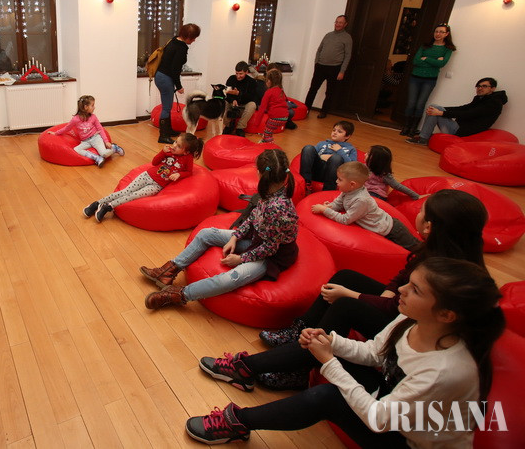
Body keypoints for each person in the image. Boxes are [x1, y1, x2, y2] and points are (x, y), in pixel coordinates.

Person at [187, 257, 504, 447]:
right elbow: (376, 353)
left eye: (415, 289)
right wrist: (331, 343)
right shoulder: (412, 319)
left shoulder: (445, 371)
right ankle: (246, 370)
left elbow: (379, 419)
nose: (400, 290)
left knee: (327, 396)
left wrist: (329, 363)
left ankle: (238, 422)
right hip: (389, 398)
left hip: (406, 439)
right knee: (324, 349)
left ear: (446, 315)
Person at [250, 190, 486, 391]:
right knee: (346, 276)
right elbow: (402, 277)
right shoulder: (435, 250)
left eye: (422, 210)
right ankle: (299, 331)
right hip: (401, 307)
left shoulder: (445, 271)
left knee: (345, 305)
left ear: (429, 225)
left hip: (408, 326)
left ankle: (302, 368)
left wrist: (350, 294)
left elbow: (398, 310)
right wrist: (387, 292)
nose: (418, 213)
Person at [139, 149, 297, 309]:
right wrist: (235, 237)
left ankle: (180, 295)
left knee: (231, 278)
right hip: (256, 239)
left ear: (260, 174)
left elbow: (270, 248)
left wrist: (241, 259)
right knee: (206, 234)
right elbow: (252, 217)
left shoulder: (278, 208)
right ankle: (167, 271)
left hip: (272, 256)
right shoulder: (269, 190)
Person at [84, 132, 201, 222]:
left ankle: (107, 207)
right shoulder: (168, 151)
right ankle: (96, 203)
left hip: (157, 186)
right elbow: (154, 162)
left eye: (179, 146)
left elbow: (189, 172)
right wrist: (162, 152)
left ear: (186, 152)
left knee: (134, 195)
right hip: (147, 175)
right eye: (175, 142)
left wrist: (179, 174)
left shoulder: (187, 158)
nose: (174, 145)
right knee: (125, 191)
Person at [311, 162, 420, 250]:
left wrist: (325, 210)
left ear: (352, 184)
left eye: (340, 179)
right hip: (385, 226)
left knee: (417, 248)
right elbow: (338, 203)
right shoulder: (347, 190)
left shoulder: (361, 200)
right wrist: (330, 206)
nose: (336, 181)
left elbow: (345, 220)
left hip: (392, 230)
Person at [406, 77, 507, 145]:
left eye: (484, 86)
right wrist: (442, 109)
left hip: (462, 132)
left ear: (493, 88)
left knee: (435, 108)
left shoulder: (493, 103)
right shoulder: (480, 98)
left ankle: (423, 138)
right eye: (478, 86)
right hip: (459, 127)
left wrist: (441, 112)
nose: (480, 88)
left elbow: (469, 114)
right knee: (434, 107)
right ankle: (424, 136)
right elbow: (463, 108)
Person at [401, 23, 456, 136]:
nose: (438, 34)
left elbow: (442, 63)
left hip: (430, 80)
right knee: (411, 103)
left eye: (441, 32)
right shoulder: (425, 46)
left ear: (446, 34)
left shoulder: (448, 49)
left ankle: (413, 129)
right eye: (436, 31)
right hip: (415, 78)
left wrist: (426, 58)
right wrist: (435, 61)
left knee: (420, 104)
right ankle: (406, 127)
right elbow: (416, 61)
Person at [154, 23, 201, 144]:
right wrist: (179, 86)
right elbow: (175, 70)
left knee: (167, 106)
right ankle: (163, 136)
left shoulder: (174, 40)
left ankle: (168, 130)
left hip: (160, 76)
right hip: (165, 78)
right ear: (188, 36)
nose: (194, 40)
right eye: (194, 37)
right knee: (166, 108)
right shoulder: (181, 48)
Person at [48, 95, 124, 167]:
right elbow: (67, 128)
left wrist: (106, 141)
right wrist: (55, 133)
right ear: (86, 107)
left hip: (95, 138)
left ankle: (114, 148)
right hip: (85, 141)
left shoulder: (93, 117)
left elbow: (100, 129)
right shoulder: (75, 119)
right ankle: (96, 158)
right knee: (77, 149)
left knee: (104, 154)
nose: (94, 107)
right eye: (92, 105)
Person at [303, 15, 352, 119]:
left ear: (345, 24)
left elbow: (348, 55)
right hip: (320, 67)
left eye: (340, 22)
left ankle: (323, 112)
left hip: (335, 68)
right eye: (336, 22)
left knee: (329, 92)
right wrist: (316, 63)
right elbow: (319, 50)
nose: (337, 24)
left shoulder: (347, 38)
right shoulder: (328, 35)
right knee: (313, 89)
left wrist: (342, 71)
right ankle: (306, 109)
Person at [299, 120, 357, 193]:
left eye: (339, 131)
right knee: (308, 148)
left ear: (347, 136)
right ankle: (305, 183)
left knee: (336, 158)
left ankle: (327, 191)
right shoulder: (322, 143)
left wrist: (340, 151)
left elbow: (353, 167)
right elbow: (310, 157)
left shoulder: (351, 149)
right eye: (334, 130)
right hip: (317, 171)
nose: (335, 133)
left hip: (333, 175)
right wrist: (321, 156)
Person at [223, 61, 264, 136]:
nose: (238, 76)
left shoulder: (252, 82)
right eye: (237, 73)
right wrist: (233, 100)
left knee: (252, 105)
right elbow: (227, 94)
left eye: (241, 74)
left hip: (244, 106)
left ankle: (240, 127)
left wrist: (238, 94)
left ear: (246, 72)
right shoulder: (231, 79)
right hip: (232, 104)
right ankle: (228, 126)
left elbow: (251, 97)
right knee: (224, 102)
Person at [252, 69, 289, 143]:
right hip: (285, 117)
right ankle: (264, 141)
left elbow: (262, 109)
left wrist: (256, 123)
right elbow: (286, 100)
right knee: (268, 129)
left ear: (269, 81)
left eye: (266, 80)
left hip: (275, 118)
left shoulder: (268, 92)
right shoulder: (281, 90)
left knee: (267, 134)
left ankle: (270, 145)